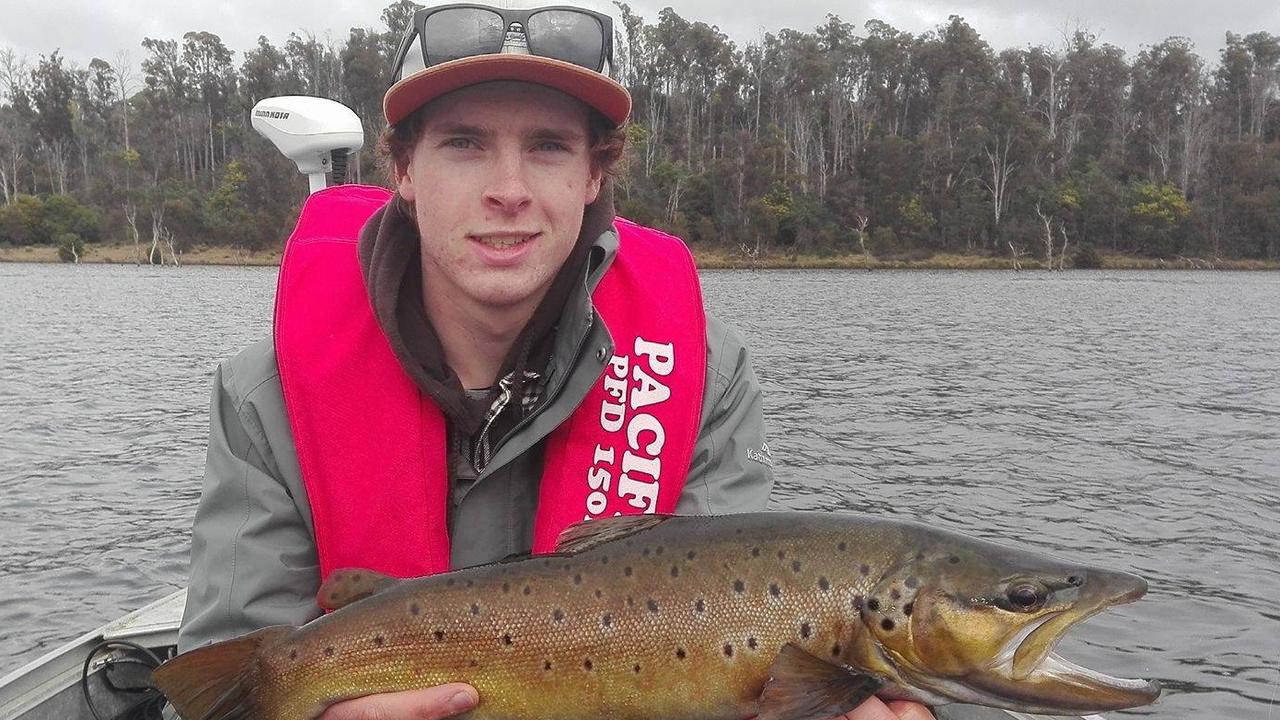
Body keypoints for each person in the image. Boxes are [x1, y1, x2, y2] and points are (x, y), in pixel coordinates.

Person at [176, 1, 933, 719]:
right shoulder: (264, 396)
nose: (508, 191)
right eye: (464, 143)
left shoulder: (707, 380)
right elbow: (220, 675)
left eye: (548, 146)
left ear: (594, 174)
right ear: (404, 170)